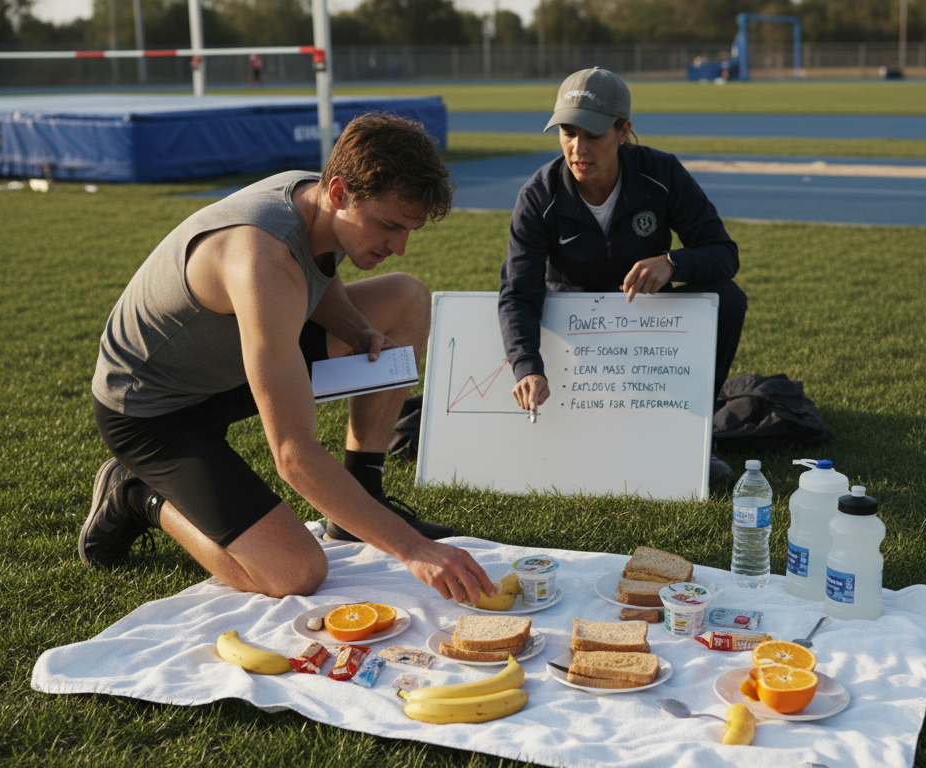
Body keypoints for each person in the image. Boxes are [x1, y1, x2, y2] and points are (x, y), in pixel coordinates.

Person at [81, 113, 495, 603]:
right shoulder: (261, 256)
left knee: (404, 299)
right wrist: (413, 549)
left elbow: (315, 272)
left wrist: (359, 331)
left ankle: (362, 501)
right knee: (295, 572)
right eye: (388, 226)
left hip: (224, 369)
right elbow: (293, 456)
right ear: (339, 192)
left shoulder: (314, 202)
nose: (399, 246)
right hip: (153, 411)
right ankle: (135, 493)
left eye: (409, 230)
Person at [497, 67, 746, 477]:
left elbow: (724, 253)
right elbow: (517, 292)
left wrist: (672, 263)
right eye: (567, 132)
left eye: (593, 135)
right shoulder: (538, 194)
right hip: (574, 317)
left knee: (729, 298)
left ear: (624, 131)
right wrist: (527, 366)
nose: (578, 148)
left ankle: (699, 433)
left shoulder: (662, 174)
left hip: (645, 310)